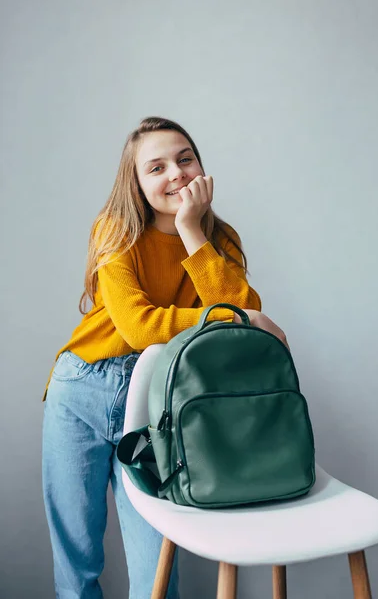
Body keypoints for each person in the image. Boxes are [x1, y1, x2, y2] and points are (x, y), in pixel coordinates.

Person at [41, 116, 288, 599]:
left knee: (157, 566)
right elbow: (140, 327)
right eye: (155, 167)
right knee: (77, 559)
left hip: (158, 399)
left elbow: (245, 311)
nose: (174, 173)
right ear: (135, 183)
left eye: (184, 159)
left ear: (200, 166)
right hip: (81, 391)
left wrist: (192, 230)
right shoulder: (114, 230)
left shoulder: (220, 237)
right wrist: (226, 319)